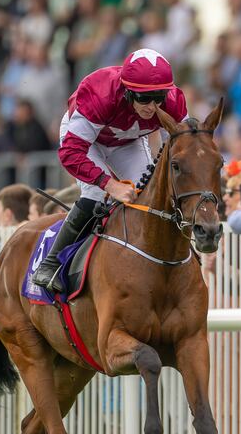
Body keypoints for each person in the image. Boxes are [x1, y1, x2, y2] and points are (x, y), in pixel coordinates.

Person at [31, 48, 188, 292]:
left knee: (149, 196)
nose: (152, 106)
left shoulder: (174, 102)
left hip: (128, 143)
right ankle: (51, 264)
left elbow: (185, 145)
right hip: (87, 142)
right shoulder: (99, 93)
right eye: (144, 98)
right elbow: (71, 154)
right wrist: (110, 185)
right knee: (96, 195)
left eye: (158, 97)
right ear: (127, 91)